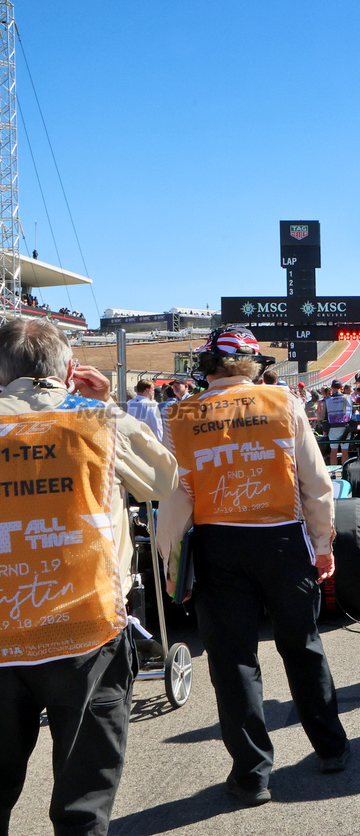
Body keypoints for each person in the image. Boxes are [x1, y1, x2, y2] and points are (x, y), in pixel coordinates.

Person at [156, 326, 350, 806]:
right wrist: (323, 544)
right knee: (302, 646)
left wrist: (169, 558)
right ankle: (331, 748)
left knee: (232, 660)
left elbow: (175, 500)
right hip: (282, 540)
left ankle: (251, 774)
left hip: (217, 544)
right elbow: (317, 483)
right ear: (252, 363)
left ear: (206, 367)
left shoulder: (180, 414)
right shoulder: (283, 401)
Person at [0, 318, 178, 836]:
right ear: (71, 370)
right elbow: (162, 481)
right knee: (83, 805)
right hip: (87, 630)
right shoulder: (99, 419)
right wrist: (112, 407)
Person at [323, 379, 354, 465]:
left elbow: (325, 415)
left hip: (333, 427)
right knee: (345, 451)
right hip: (345, 426)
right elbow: (352, 411)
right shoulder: (348, 398)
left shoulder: (327, 400)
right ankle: (345, 471)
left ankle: (333, 473)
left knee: (333, 451)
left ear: (332, 387)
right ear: (341, 387)